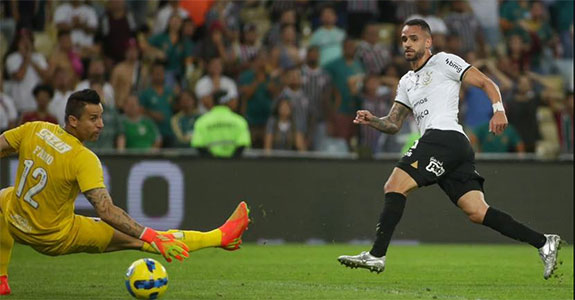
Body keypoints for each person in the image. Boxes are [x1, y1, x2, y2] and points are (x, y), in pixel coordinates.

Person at [336, 19, 561, 280]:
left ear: (428, 41)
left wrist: (498, 110)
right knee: (477, 211)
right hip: (452, 148)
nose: (407, 44)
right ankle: (544, 242)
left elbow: (487, 82)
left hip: (444, 137)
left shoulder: (443, 61)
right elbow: (393, 123)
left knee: (394, 186)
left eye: (414, 38)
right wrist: (372, 120)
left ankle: (376, 255)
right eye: (404, 39)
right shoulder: (407, 81)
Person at [0, 89, 250, 296]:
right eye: (93, 119)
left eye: (101, 117)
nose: (101, 125)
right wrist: (150, 234)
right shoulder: (82, 158)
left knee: (5, 196)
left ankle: (1, 278)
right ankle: (221, 236)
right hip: (54, 235)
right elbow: (106, 211)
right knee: (143, 241)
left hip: (16, 219)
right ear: (73, 121)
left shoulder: (34, 129)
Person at [192, 90, 251, 158]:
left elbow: (198, 144)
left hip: (210, 165)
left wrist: (212, 160)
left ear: (213, 102)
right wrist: (232, 160)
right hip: (234, 166)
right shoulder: (240, 121)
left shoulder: (201, 122)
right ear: (228, 101)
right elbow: (243, 144)